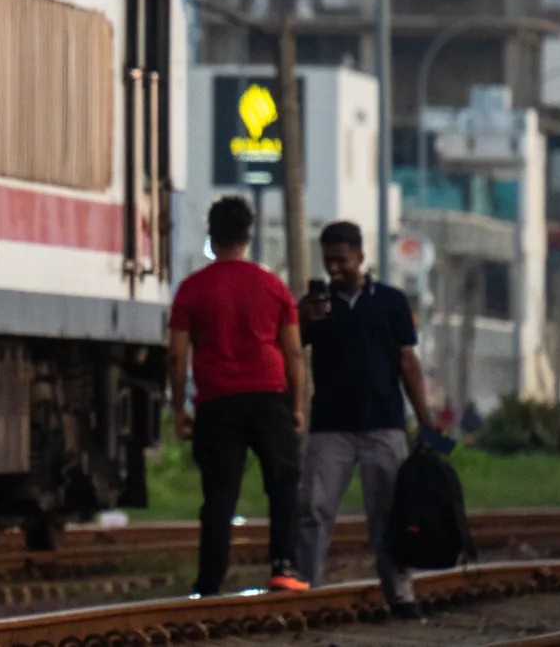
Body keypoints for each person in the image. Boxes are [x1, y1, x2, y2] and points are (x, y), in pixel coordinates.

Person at [295, 220, 439, 619]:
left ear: (360, 256)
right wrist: (305, 316)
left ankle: (400, 592)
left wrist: (425, 417)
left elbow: (407, 361)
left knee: (389, 514)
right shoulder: (316, 305)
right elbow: (290, 346)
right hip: (330, 426)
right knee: (313, 508)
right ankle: (308, 593)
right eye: (328, 261)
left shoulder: (391, 302)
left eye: (341, 260)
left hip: (384, 423)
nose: (335, 268)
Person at [169, 195, 307, 597]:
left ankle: (209, 582)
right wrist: (295, 407)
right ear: (249, 235)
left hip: (217, 402)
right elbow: (294, 352)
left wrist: (179, 408)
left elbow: (177, 355)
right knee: (283, 484)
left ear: (212, 235)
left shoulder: (192, 289)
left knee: (219, 493)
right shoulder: (273, 287)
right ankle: (283, 568)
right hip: (269, 396)